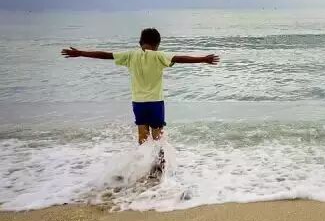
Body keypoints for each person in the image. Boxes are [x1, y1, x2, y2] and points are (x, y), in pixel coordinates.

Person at [61, 28, 220, 172]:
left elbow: (106, 55)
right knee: (157, 136)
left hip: (138, 103)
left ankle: (142, 167)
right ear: (158, 44)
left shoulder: (131, 55)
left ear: (140, 43)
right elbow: (180, 58)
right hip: (156, 103)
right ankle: (159, 166)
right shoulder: (159, 56)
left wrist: (81, 53)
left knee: (143, 136)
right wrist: (203, 59)